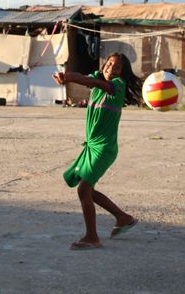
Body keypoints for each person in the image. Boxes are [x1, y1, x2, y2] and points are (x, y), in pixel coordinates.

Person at [52, 53, 143, 250]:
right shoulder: (98, 79)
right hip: (92, 146)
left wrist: (70, 77)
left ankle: (92, 237)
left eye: (117, 67)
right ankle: (123, 217)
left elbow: (90, 81)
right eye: (109, 63)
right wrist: (67, 75)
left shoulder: (117, 86)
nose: (111, 68)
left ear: (122, 73)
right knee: (89, 190)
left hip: (104, 148)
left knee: (83, 189)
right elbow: (86, 77)